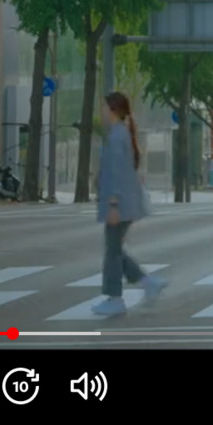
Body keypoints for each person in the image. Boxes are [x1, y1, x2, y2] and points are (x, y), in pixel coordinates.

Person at [90, 92, 166, 317]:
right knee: (114, 249)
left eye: (104, 107)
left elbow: (116, 174)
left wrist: (113, 204)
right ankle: (146, 281)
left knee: (112, 252)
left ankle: (115, 298)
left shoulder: (116, 137)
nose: (101, 111)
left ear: (113, 110)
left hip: (119, 204)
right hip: (124, 203)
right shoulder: (120, 134)